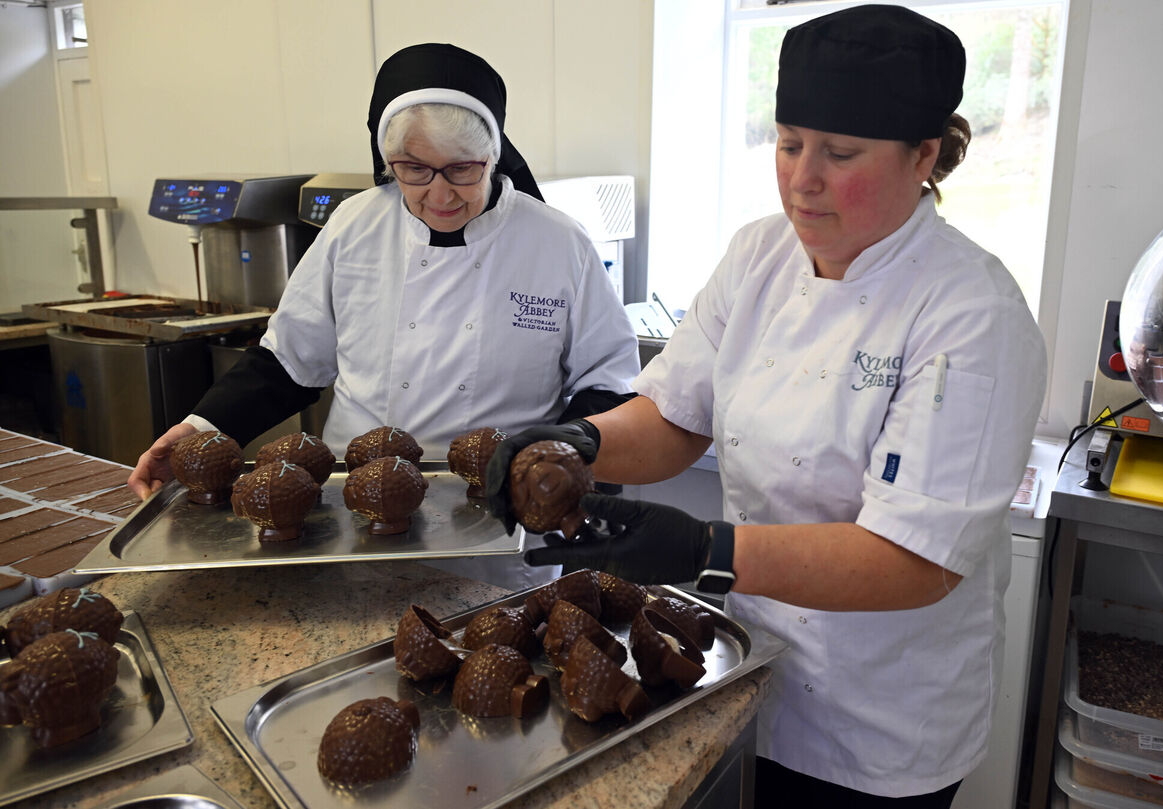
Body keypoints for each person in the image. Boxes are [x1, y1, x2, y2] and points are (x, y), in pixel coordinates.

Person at [487, 6, 1047, 806]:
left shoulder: (972, 313)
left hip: (879, 716)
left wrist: (706, 548)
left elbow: (915, 561)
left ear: (924, 155)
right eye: (788, 144)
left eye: (839, 154)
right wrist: (578, 439)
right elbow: (675, 414)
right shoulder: (760, 253)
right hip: (745, 660)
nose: (802, 178)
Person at [127, 43, 641, 590]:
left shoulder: (558, 243)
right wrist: (200, 429)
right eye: (414, 170)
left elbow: (607, 384)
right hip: (355, 515)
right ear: (388, 161)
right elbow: (289, 361)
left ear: (494, 156)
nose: (439, 193)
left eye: (462, 169)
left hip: (500, 519)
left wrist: (556, 465)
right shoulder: (354, 226)